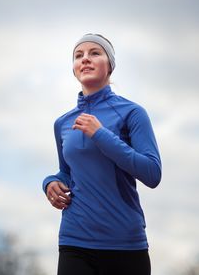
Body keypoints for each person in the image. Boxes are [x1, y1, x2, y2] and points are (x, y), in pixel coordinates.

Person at [42, 33, 162, 275]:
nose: (85, 59)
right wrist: (51, 183)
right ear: (74, 69)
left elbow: (152, 173)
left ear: (110, 66)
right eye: (78, 55)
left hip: (125, 244)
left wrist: (101, 134)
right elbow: (68, 172)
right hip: (74, 240)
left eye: (94, 53)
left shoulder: (132, 113)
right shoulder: (62, 123)